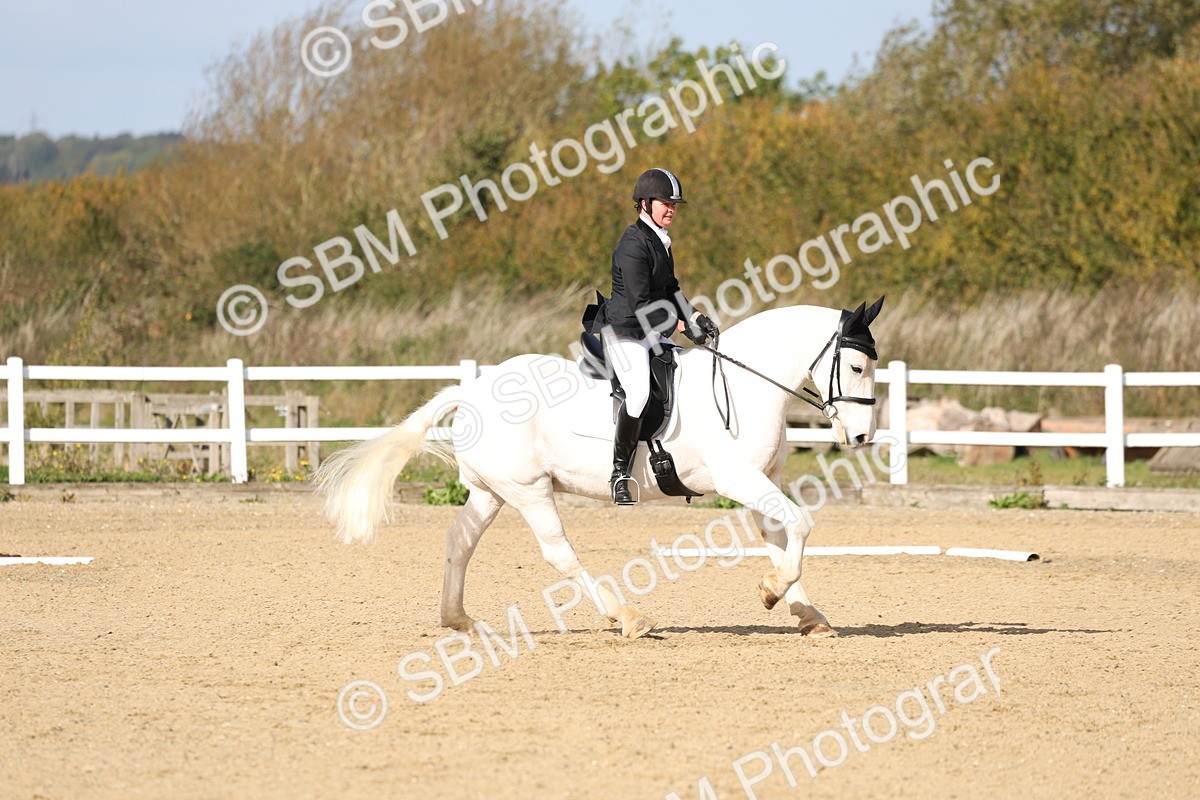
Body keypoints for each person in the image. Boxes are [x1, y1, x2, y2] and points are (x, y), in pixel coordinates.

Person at [591, 167, 719, 505]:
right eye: (666, 203)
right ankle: (620, 473)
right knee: (637, 394)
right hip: (626, 332)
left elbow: (671, 288)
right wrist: (680, 327)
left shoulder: (660, 241)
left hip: (651, 329)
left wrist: (695, 315)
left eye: (674, 204)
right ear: (645, 204)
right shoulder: (632, 244)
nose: (672, 209)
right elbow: (642, 303)